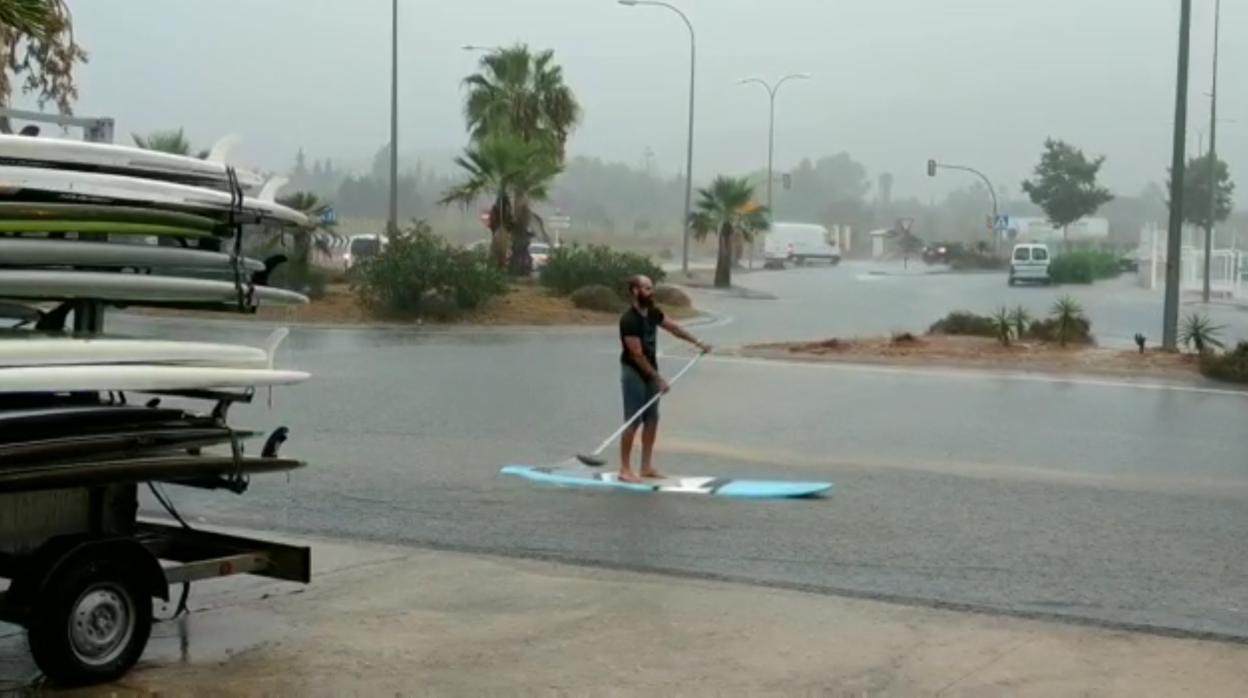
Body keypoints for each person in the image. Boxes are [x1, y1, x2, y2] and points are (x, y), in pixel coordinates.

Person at [618, 275, 710, 483]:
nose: (652, 292)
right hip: (634, 371)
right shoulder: (628, 320)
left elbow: (674, 328)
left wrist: (698, 342)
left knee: (652, 419)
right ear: (635, 291)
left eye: (652, 288)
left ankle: (646, 467)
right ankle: (624, 469)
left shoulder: (652, 312)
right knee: (633, 420)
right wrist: (658, 379)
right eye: (647, 289)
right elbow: (637, 355)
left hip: (651, 370)